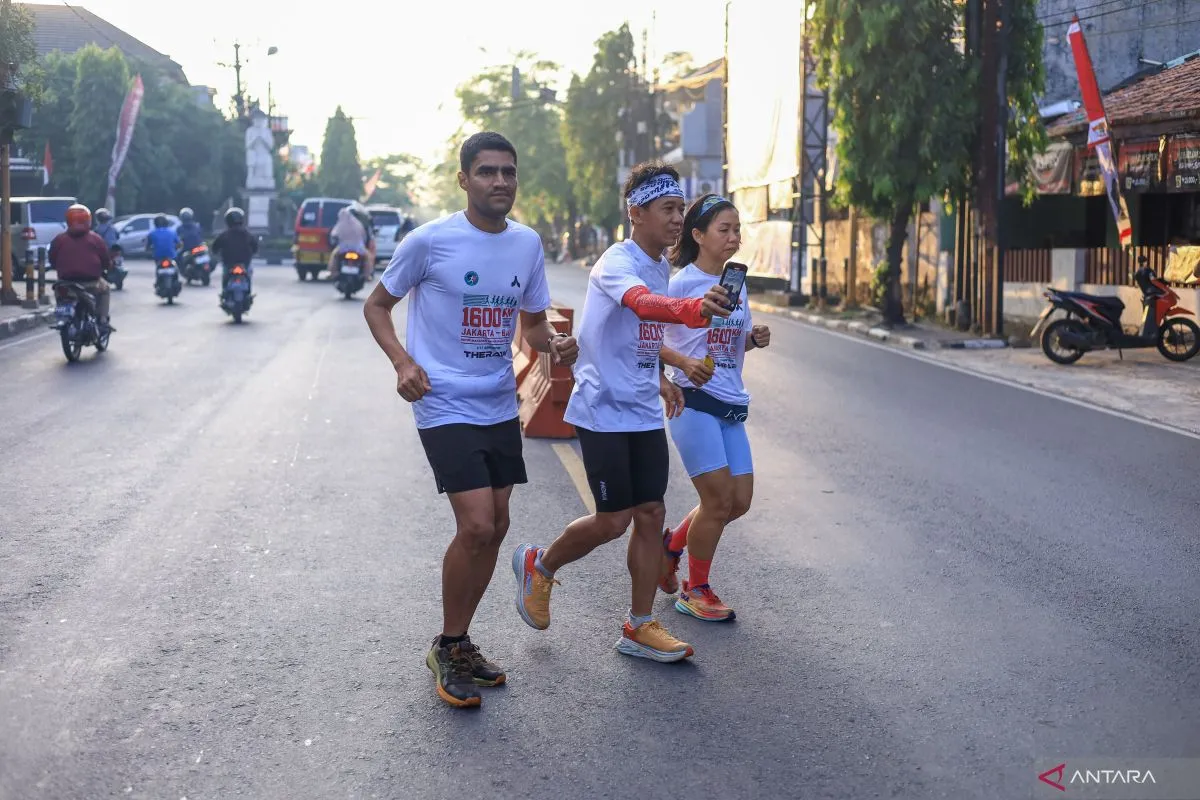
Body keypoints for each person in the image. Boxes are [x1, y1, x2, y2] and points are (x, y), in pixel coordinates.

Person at [362, 131, 579, 709]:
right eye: (487, 171)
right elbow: (376, 305)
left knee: (498, 523)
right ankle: (448, 644)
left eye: (508, 171)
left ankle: (459, 643)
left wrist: (555, 343)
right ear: (464, 180)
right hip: (442, 400)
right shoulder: (429, 242)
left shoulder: (526, 244)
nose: (500, 181)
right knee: (478, 525)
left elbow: (532, 326)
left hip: (498, 401)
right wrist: (402, 362)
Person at [511, 162, 730, 664]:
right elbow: (644, 305)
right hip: (604, 408)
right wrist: (694, 310)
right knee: (613, 522)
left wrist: (661, 378)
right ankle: (540, 564)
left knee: (652, 514)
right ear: (636, 213)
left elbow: (639, 336)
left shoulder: (660, 265)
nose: (677, 219)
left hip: (643, 409)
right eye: (668, 209)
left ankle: (638, 625)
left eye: (681, 209)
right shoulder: (616, 262)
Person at [656, 194, 771, 622]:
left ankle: (671, 546)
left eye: (737, 230)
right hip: (694, 401)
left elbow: (727, 342)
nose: (734, 237)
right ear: (698, 235)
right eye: (724, 230)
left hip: (730, 404)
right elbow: (649, 339)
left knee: (738, 501)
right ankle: (696, 589)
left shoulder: (736, 284)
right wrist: (679, 366)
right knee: (717, 499)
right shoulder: (680, 284)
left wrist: (751, 339)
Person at [49, 204, 112, 329]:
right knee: (105, 290)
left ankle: (62, 316)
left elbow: (52, 259)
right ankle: (103, 320)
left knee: (60, 295)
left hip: (65, 283)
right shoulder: (96, 239)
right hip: (91, 284)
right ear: (88, 220)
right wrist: (107, 267)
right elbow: (105, 259)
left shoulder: (59, 239)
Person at [210, 207, 258, 290]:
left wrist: (215, 253)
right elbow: (255, 246)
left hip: (229, 262)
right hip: (244, 263)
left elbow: (215, 247)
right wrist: (253, 252)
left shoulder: (224, 235)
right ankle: (248, 292)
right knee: (248, 274)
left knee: (225, 275)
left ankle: (224, 292)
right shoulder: (247, 234)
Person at [328, 203, 375, 276]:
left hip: (343, 248)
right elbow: (364, 237)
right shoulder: (358, 224)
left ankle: (332, 273)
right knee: (367, 257)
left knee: (334, 255)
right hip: (358, 248)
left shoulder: (340, 224)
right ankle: (367, 275)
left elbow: (333, 234)